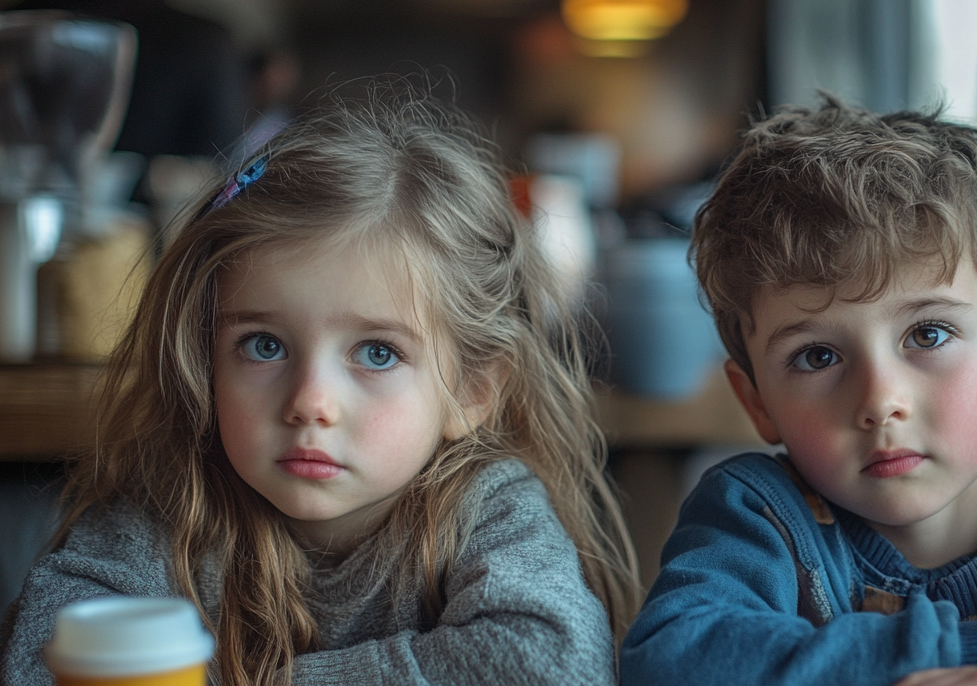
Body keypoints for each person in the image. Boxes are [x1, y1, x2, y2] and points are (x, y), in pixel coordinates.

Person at [0, 82, 640, 686]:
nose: (310, 402)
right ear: (205, 360)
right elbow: (38, 659)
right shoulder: (170, 506)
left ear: (471, 389)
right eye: (264, 345)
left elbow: (553, 663)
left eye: (378, 353)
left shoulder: (485, 511)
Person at [619, 94, 977, 686]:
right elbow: (670, 660)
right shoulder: (759, 517)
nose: (879, 401)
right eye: (817, 356)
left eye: (928, 333)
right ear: (758, 401)